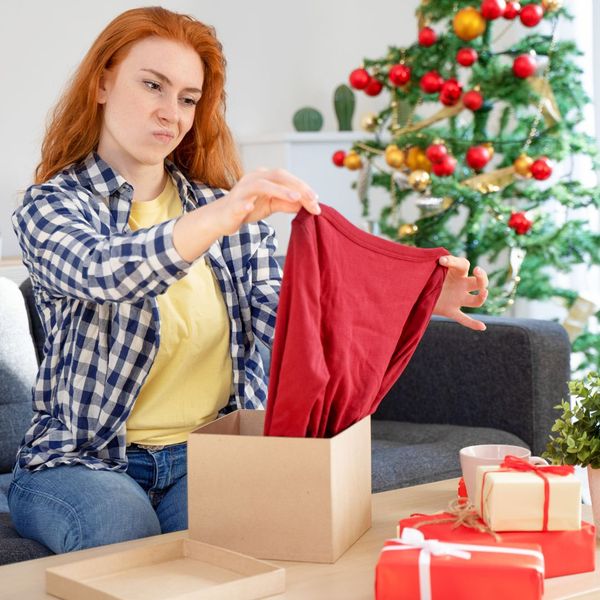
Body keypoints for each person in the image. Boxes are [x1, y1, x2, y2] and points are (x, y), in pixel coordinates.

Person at [8, 6, 488, 555]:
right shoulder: (52, 206)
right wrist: (221, 216)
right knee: (125, 531)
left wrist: (416, 300)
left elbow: (294, 322)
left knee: (261, 539)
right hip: (81, 460)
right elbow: (105, 271)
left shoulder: (221, 212)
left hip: (210, 455)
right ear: (102, 82)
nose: (172, 112)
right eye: (153, 86)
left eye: (188, 98)